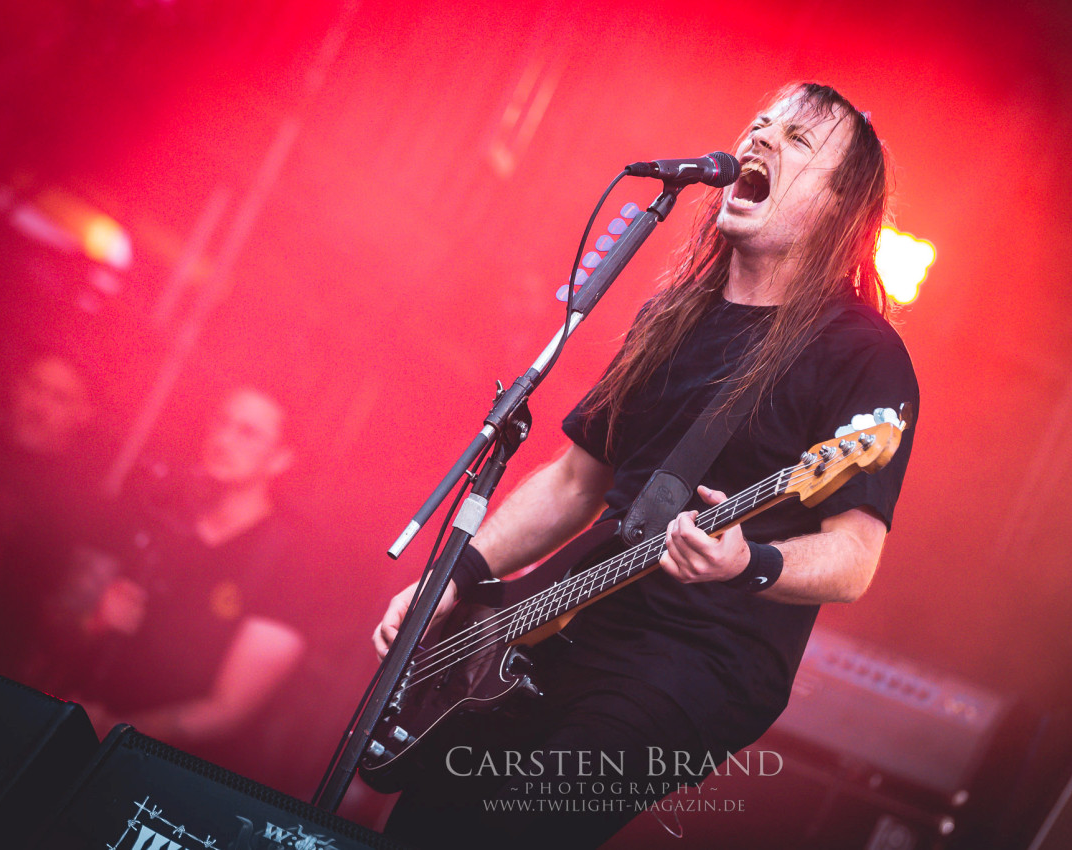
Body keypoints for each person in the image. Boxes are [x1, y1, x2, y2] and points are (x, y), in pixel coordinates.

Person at [374, 81, 919, 848]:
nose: (760, 139)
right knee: (425, 828)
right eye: (759, 123)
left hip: (695, 658)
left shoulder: (860, 353)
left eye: (797, 140)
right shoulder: (671, 317)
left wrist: (750, 562)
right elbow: (574, 482)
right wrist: (451, 581)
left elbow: (855, 557)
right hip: (555, 618)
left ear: (838, 206)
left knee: (518, 831)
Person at [75, 386, 310, 788]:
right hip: (89, 733)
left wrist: (113, 731)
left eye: (247, 433)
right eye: (221, 422)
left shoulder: (286, 561)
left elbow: (228, 710)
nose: (223, 439)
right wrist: (94, 622)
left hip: (171, 777)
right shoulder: (163, 516)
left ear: (280, 458)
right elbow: (57, 622)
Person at [0, 351, 103, 680]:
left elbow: (68, 612)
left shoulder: (79, 501)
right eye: (35, 386)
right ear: (17, 387)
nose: (40, 405)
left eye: (59, 398)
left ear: (83, 414)